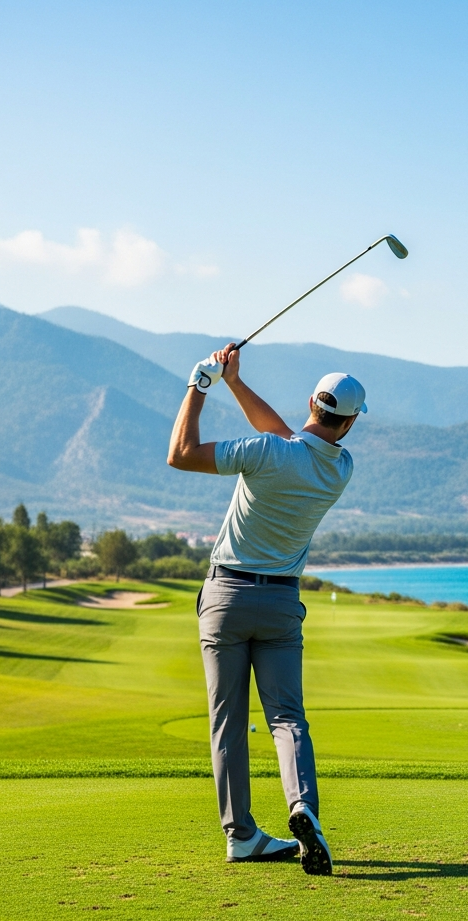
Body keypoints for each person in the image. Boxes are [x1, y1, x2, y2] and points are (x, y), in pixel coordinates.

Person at [167, 342, 366, 875]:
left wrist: (200, 385)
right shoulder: (340, 468)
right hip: (281, 602)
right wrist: (235, 383)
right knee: (286, 718)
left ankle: (241, 835)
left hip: (226, 597)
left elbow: (181, 454)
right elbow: (291, 439)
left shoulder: (263, 451)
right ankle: (303, 806)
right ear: (347, 425)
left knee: (228, 720)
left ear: (311, 402)